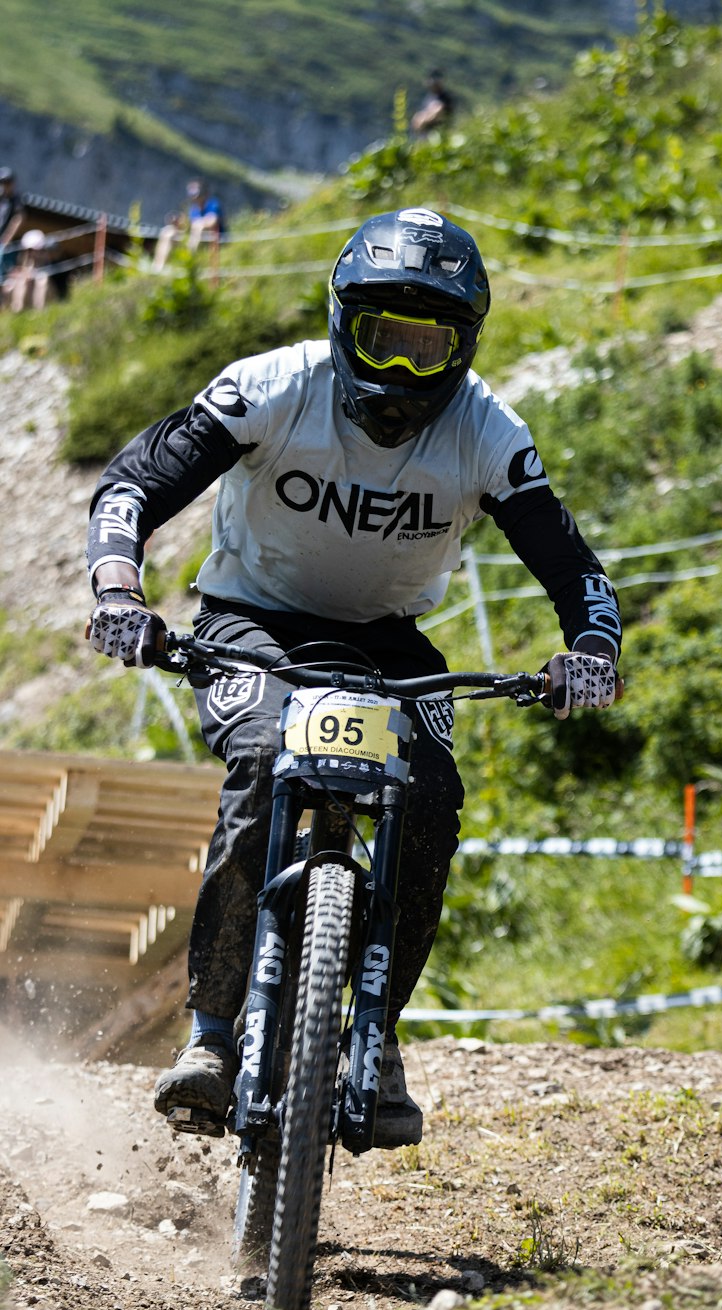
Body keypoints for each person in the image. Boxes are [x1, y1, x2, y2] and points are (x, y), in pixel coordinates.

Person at [85, 206, 623, 1149]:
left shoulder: (486, 428)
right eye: (387, 339)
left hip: (389, 644)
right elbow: (134, 482)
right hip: (251, 623)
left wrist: (592, 651)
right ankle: (213, 1035)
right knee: (260, 759)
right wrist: (121, 591)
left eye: (432, 345)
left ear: (465, 346)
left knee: (433, 800)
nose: (408, 372)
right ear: (342, 322)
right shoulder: (271, 386)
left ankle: (374, 1038)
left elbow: (570, 563)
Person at [1, 228, 50, 312]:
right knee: (17, 283)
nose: (31, 252)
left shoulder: (45, 257)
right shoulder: (22, 257)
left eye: (32, 250)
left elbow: (43, 273)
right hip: (25, 284)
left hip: (46, 289)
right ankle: (16, 310)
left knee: (41, 281)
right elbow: (19, 270)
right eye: (29, 250)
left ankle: (38, 310)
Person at [186, 179, 226, 250]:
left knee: (198, 225)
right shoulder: (194, 208)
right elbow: (192, 223)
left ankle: (191, 253)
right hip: (201, 237)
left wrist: (200, 223)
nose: (194, 197)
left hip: (218, 238)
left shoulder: (213, 203)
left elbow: (214, 220)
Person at [0, 168, 25, 279]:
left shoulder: (16, 199)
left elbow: (19, 219)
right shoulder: (2, 199)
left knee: (4, 273)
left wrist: (6, 239)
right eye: (3, 182)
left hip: (7, 245)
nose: (5, 185)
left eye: (7, 182)